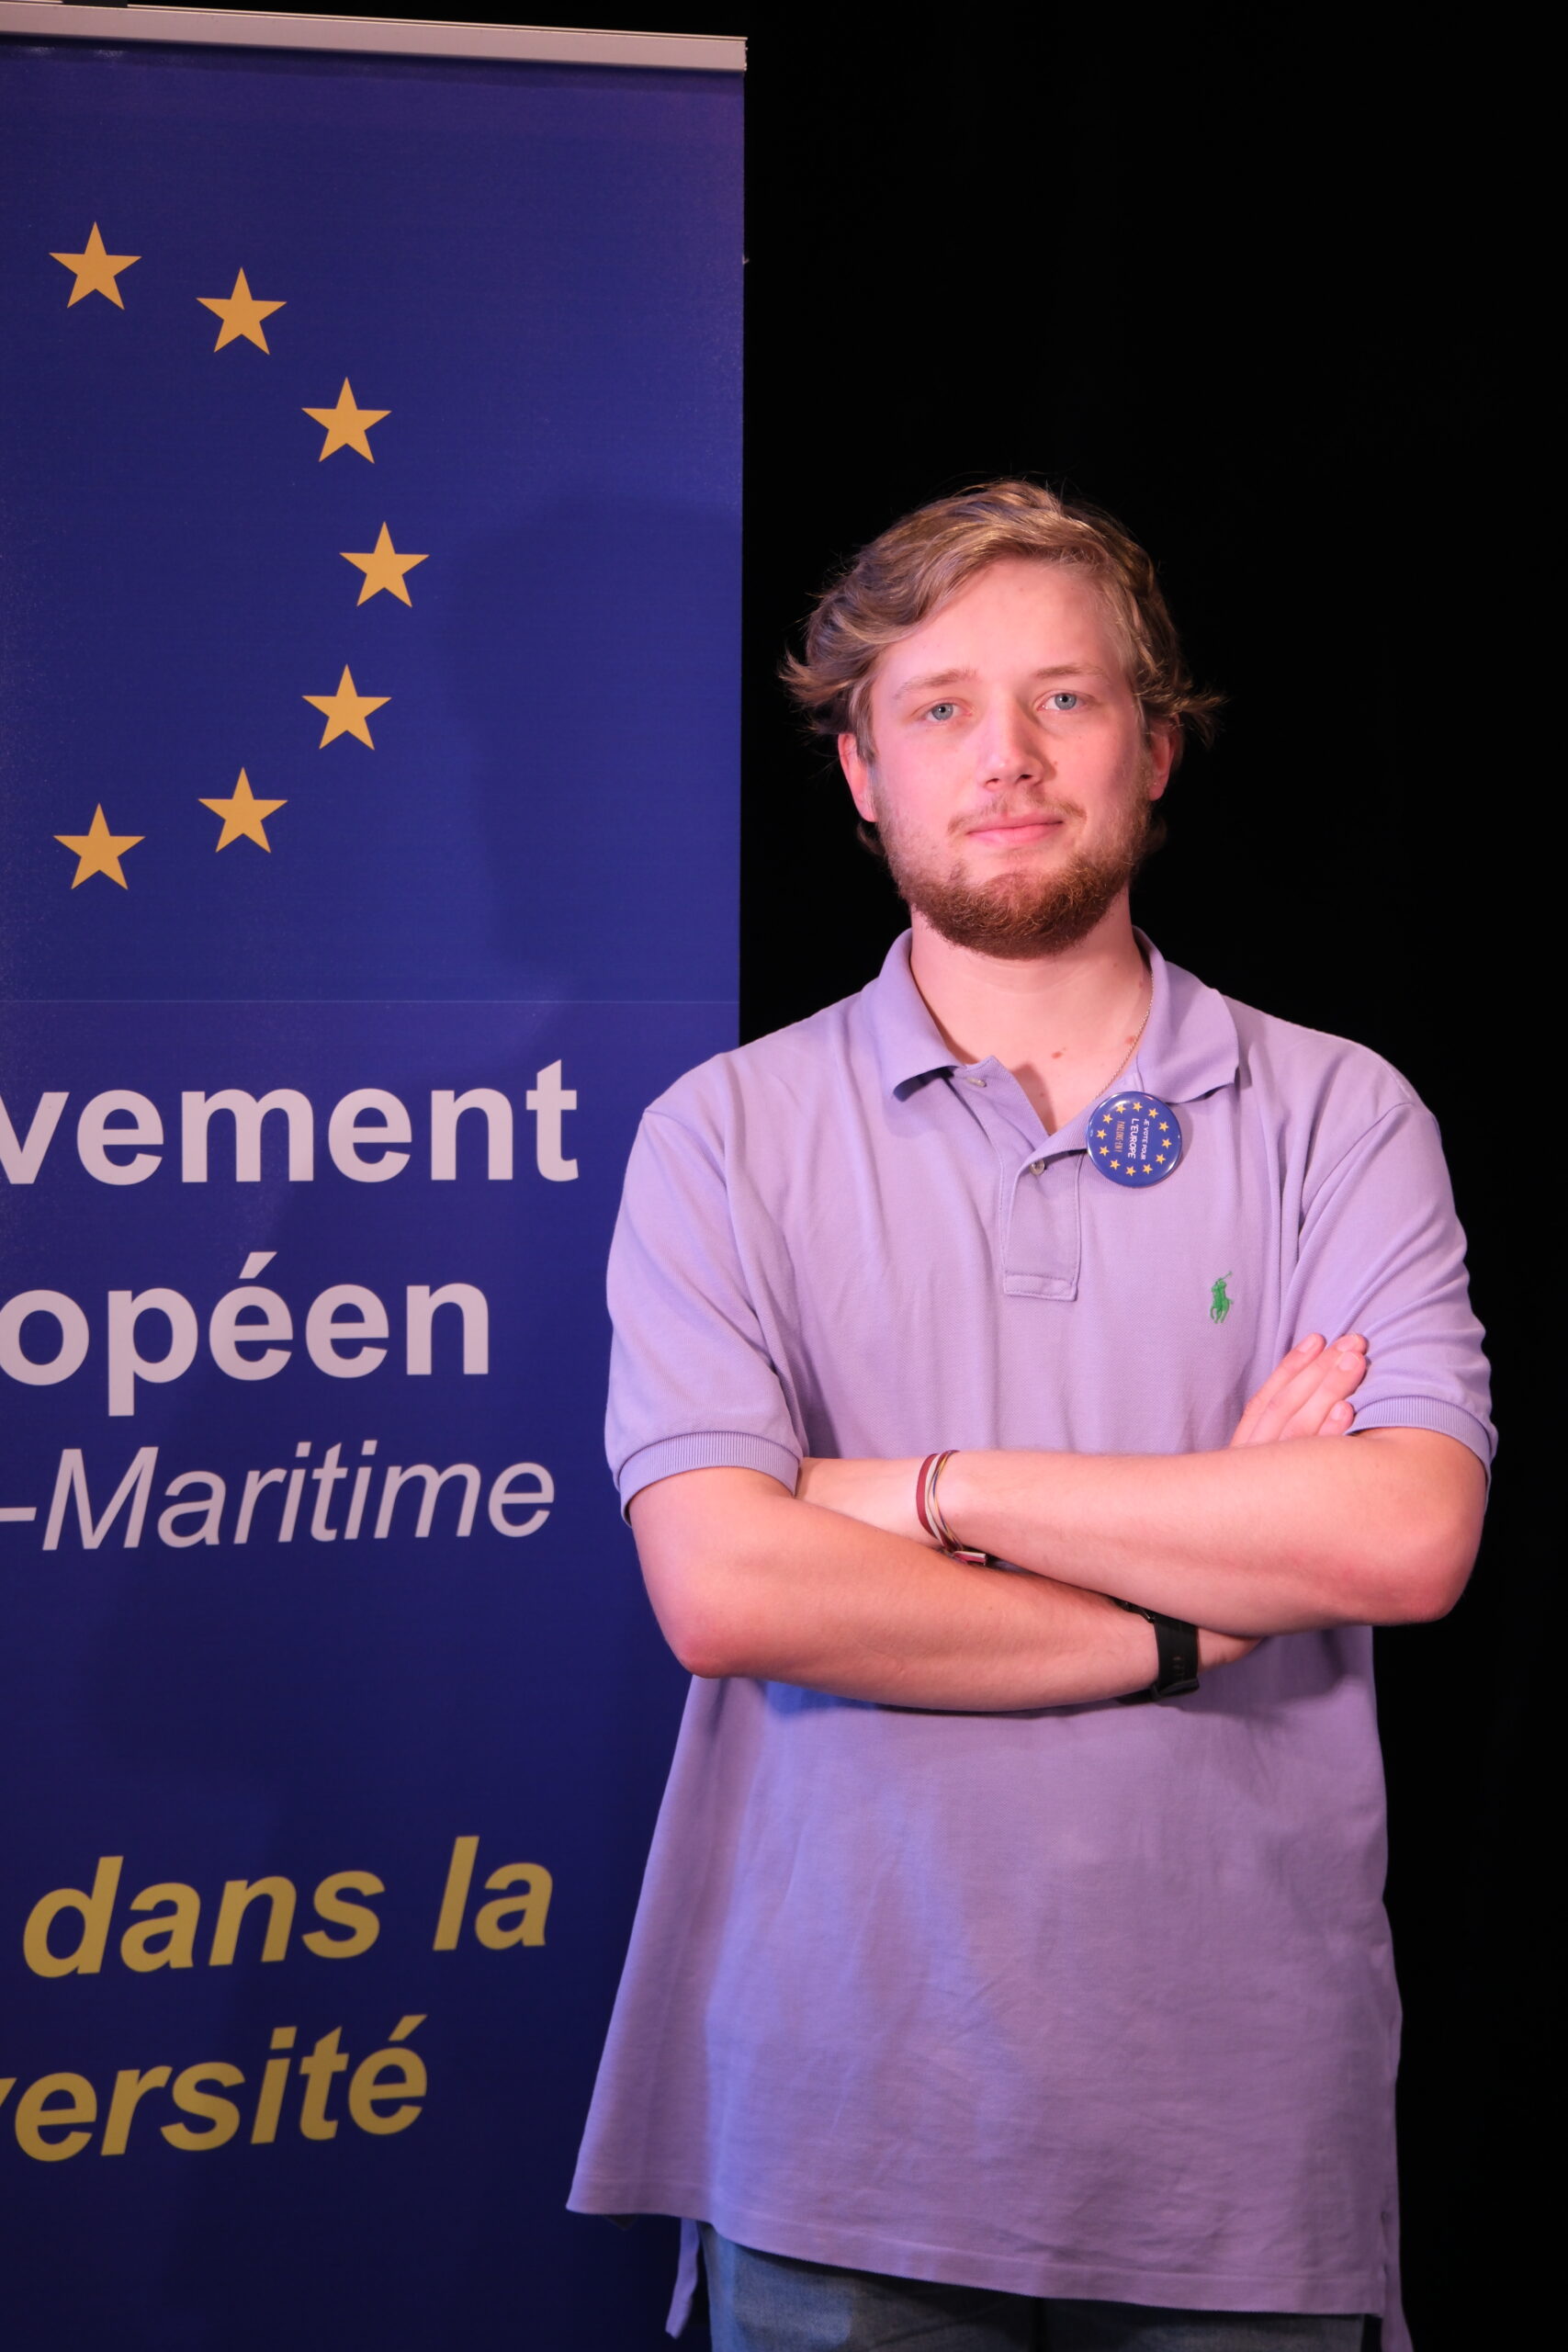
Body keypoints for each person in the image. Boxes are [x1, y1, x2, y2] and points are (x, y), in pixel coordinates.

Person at [569, 481, 1492, 2352]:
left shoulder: (1340, 1115)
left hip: (1240, 2144)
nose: (1007, 755)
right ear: (861, 771)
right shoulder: (720, 1138)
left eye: (1064, 698)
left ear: (1155, 747)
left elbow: (1402, 1537)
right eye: (940, 708)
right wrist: (1194, 1612)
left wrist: (920, 1490)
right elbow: (729, 1588)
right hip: (840, 2131)